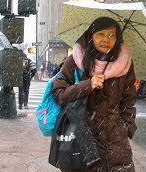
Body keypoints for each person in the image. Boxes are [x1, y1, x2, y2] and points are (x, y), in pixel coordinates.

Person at [52, 17, 137, 171]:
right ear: (90, 36)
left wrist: (125, 129)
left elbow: (128, 101)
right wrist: (87, 85)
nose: (106, 39)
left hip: (116, 143)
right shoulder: (75, 61)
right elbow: (59, 94)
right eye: (101, 34)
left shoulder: (125, 64)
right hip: (81, 138)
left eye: (112, 35)